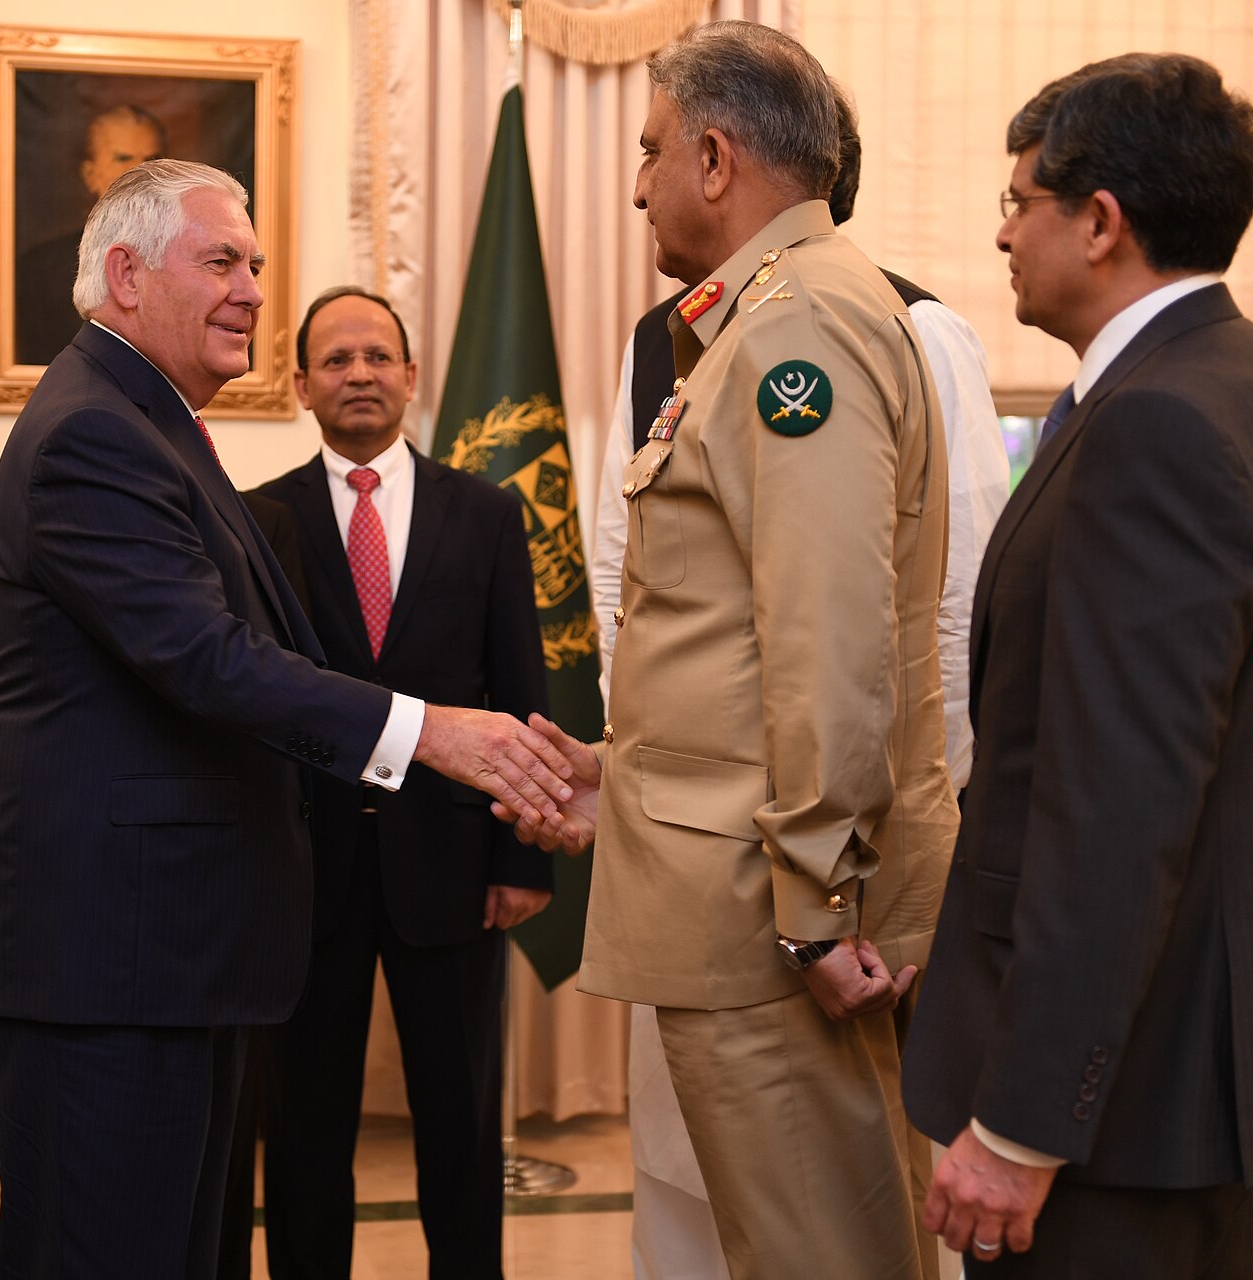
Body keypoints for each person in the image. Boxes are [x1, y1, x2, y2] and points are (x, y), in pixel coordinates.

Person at [0, 158, 576, 1280]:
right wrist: (432, 731)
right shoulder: (96, 433)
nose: (250, 287)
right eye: (223, 261)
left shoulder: (152, 422)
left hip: (170, 954)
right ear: (126, 276)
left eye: (257, 265)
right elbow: (208, 658)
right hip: (111, 966)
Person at [900, 53, 1253, 1274]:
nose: (1001, 233)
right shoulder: (1236, 379)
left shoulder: (1158, 421)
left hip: (1115, 1101)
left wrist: (1023, 1121)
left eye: (1019, 201)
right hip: (1165, 1075)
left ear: (1100, 222)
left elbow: (1115, 813)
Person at [520, 21, 957, 1278]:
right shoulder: (770, 313)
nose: (640, 181)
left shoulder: (792, 329)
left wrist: (815, 915)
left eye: (653, 150)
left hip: (768, 918)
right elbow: (737, 636)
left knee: (820, 1250)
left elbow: (832, 639)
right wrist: (628, 769)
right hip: (748, 886)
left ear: (717, 157)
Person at [251, 286, 552, 1280]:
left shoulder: (489, 510)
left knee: (461, 1132)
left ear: (412, 375)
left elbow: (519, 692)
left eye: (378, 356)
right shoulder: (260, 522)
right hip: (307, 877)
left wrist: (522, 855)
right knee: (304, 1134)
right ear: (301, 384)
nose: (360, 375)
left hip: (456, 872)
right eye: (335, 360)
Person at [15, 104, 167, 366]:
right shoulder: (41, 269)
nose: (142, 173)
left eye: (151, 160)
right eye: (123, 158)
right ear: (90, 175)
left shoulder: (189, 259)